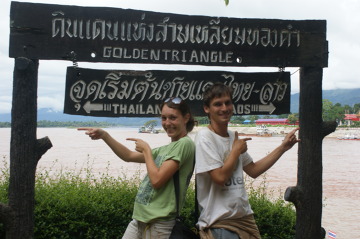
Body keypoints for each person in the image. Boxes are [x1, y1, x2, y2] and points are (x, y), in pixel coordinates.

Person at [78, 97, 196, 239]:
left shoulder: (185, 144)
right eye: (164, 118)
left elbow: (157, 180)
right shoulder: (166, 149)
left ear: (186, 118)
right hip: (139, 220)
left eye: (173, 118)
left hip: (159, 224)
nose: (167, 123)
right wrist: (105, 135)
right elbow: (128, 156)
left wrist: (146, 150)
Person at [195, 83, 300, 239]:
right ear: (206, 109)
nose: (224, 108)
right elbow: (219, 178)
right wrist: (236, 151)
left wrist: (283, 147)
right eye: (218, 104)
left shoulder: (233, 137)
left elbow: (254, 170)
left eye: (228, 103)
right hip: (220, 223)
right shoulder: (205, 137)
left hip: (244, 219)